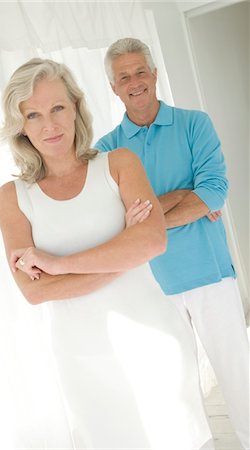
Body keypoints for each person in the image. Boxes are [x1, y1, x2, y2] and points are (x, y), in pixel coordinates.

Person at [0, 58, 214, 450]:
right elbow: (35, 291)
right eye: (34, 114)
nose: (50, 124)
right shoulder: (13, 198)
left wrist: (59, 265)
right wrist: (123, 250)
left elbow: (152, 242)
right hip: (83, 362)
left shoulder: (119, 164)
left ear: (76, 106)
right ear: (21, 126)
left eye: (58, 107)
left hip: (154, 344)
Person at [94, 37, 250, 450]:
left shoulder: (195, 124)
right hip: (153, 286)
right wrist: (185, 195)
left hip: (211, 274)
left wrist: (149, 216)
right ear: (113, 87)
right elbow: (115, 221)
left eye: (140, 71)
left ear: (155, 74)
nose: (135, 81)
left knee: (240, 382)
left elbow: (214, 193)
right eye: (124, 76)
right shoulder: (106, 151)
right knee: (175, 397)